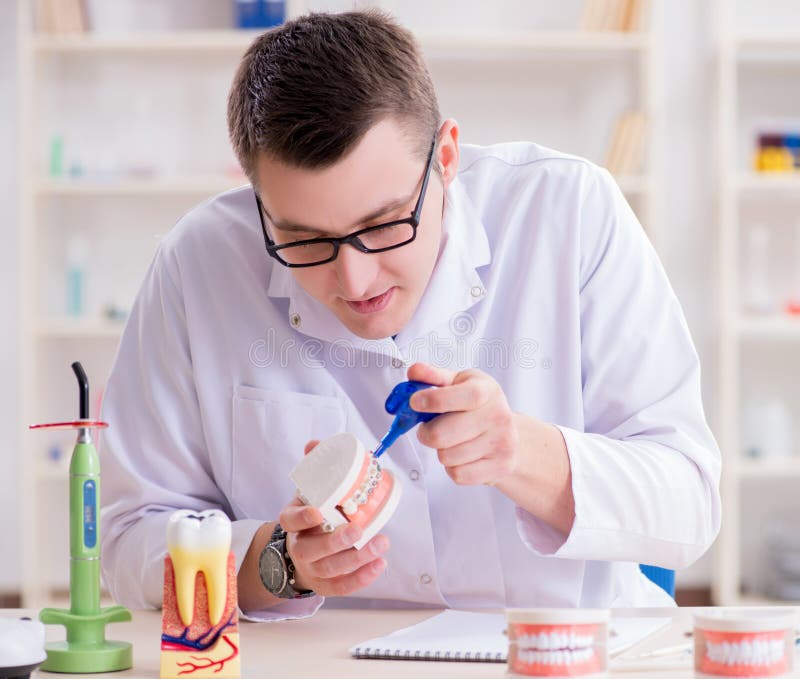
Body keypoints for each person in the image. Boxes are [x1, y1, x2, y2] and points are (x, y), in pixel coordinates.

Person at [100, 10, 721, 621]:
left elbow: (688, 507)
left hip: (560, 652)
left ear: (445, 159)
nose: (354, 280)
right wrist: (279, 561)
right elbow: (129, 542)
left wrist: (521, 453)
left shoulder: (570, 212)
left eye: (385, 224)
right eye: (304, 240)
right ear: (257, 198)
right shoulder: (198, 261)